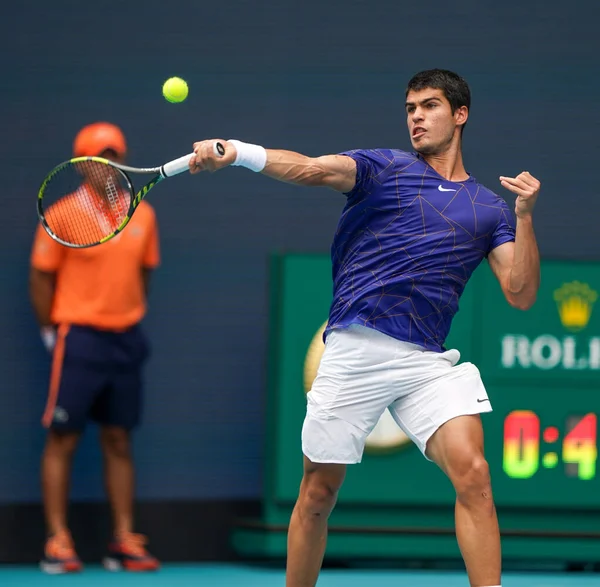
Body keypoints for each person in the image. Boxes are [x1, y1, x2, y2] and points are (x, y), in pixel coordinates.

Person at [188, 69, 541, 587]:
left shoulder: (488, 208)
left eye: (430, 106)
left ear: (460, 114)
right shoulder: (385, 168)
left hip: (425, 362)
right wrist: (237, 150)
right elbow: (309, 169)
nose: (416, 116)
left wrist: (526, 216)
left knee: (475, 474)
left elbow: (521, 292)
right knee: (317, 495)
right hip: (356, 349)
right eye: (410, 108)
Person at [30, 122, 161, 574]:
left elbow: (144, 272)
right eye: (101, 157)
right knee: (63, 437)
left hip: (126, 339)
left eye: (116, 155)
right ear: (83, 164)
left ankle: (123, 540)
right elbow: (41, 276)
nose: (110, 166)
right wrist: (53, 331)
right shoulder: (64, 213)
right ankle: (57, 540)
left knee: (119, 439)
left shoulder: (141, 213)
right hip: (79, 338)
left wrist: (128, 311)